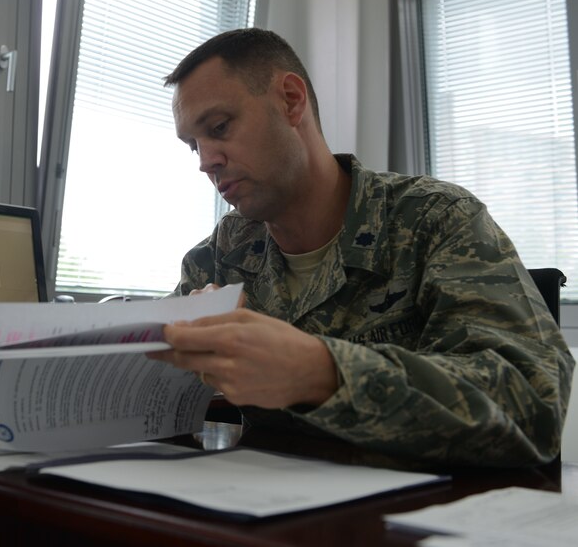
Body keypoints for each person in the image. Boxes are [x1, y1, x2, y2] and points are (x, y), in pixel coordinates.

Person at [148, 28, 574, 467]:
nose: (205, 161)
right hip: (268, 511)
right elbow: (141, 367)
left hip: (421, 516)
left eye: (219, 128)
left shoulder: (436, 220)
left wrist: (322, 372)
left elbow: (532, 405)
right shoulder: (223, 252)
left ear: (291, 101)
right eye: (193, 145)